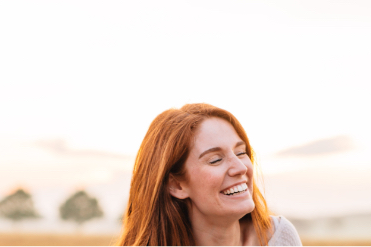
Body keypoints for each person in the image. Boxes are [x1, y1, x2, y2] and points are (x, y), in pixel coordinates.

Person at [117, 103, 301, 246]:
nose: (240, 168)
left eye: (240, 153)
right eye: (215, 160)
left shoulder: (280, 238)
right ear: (176, 185)